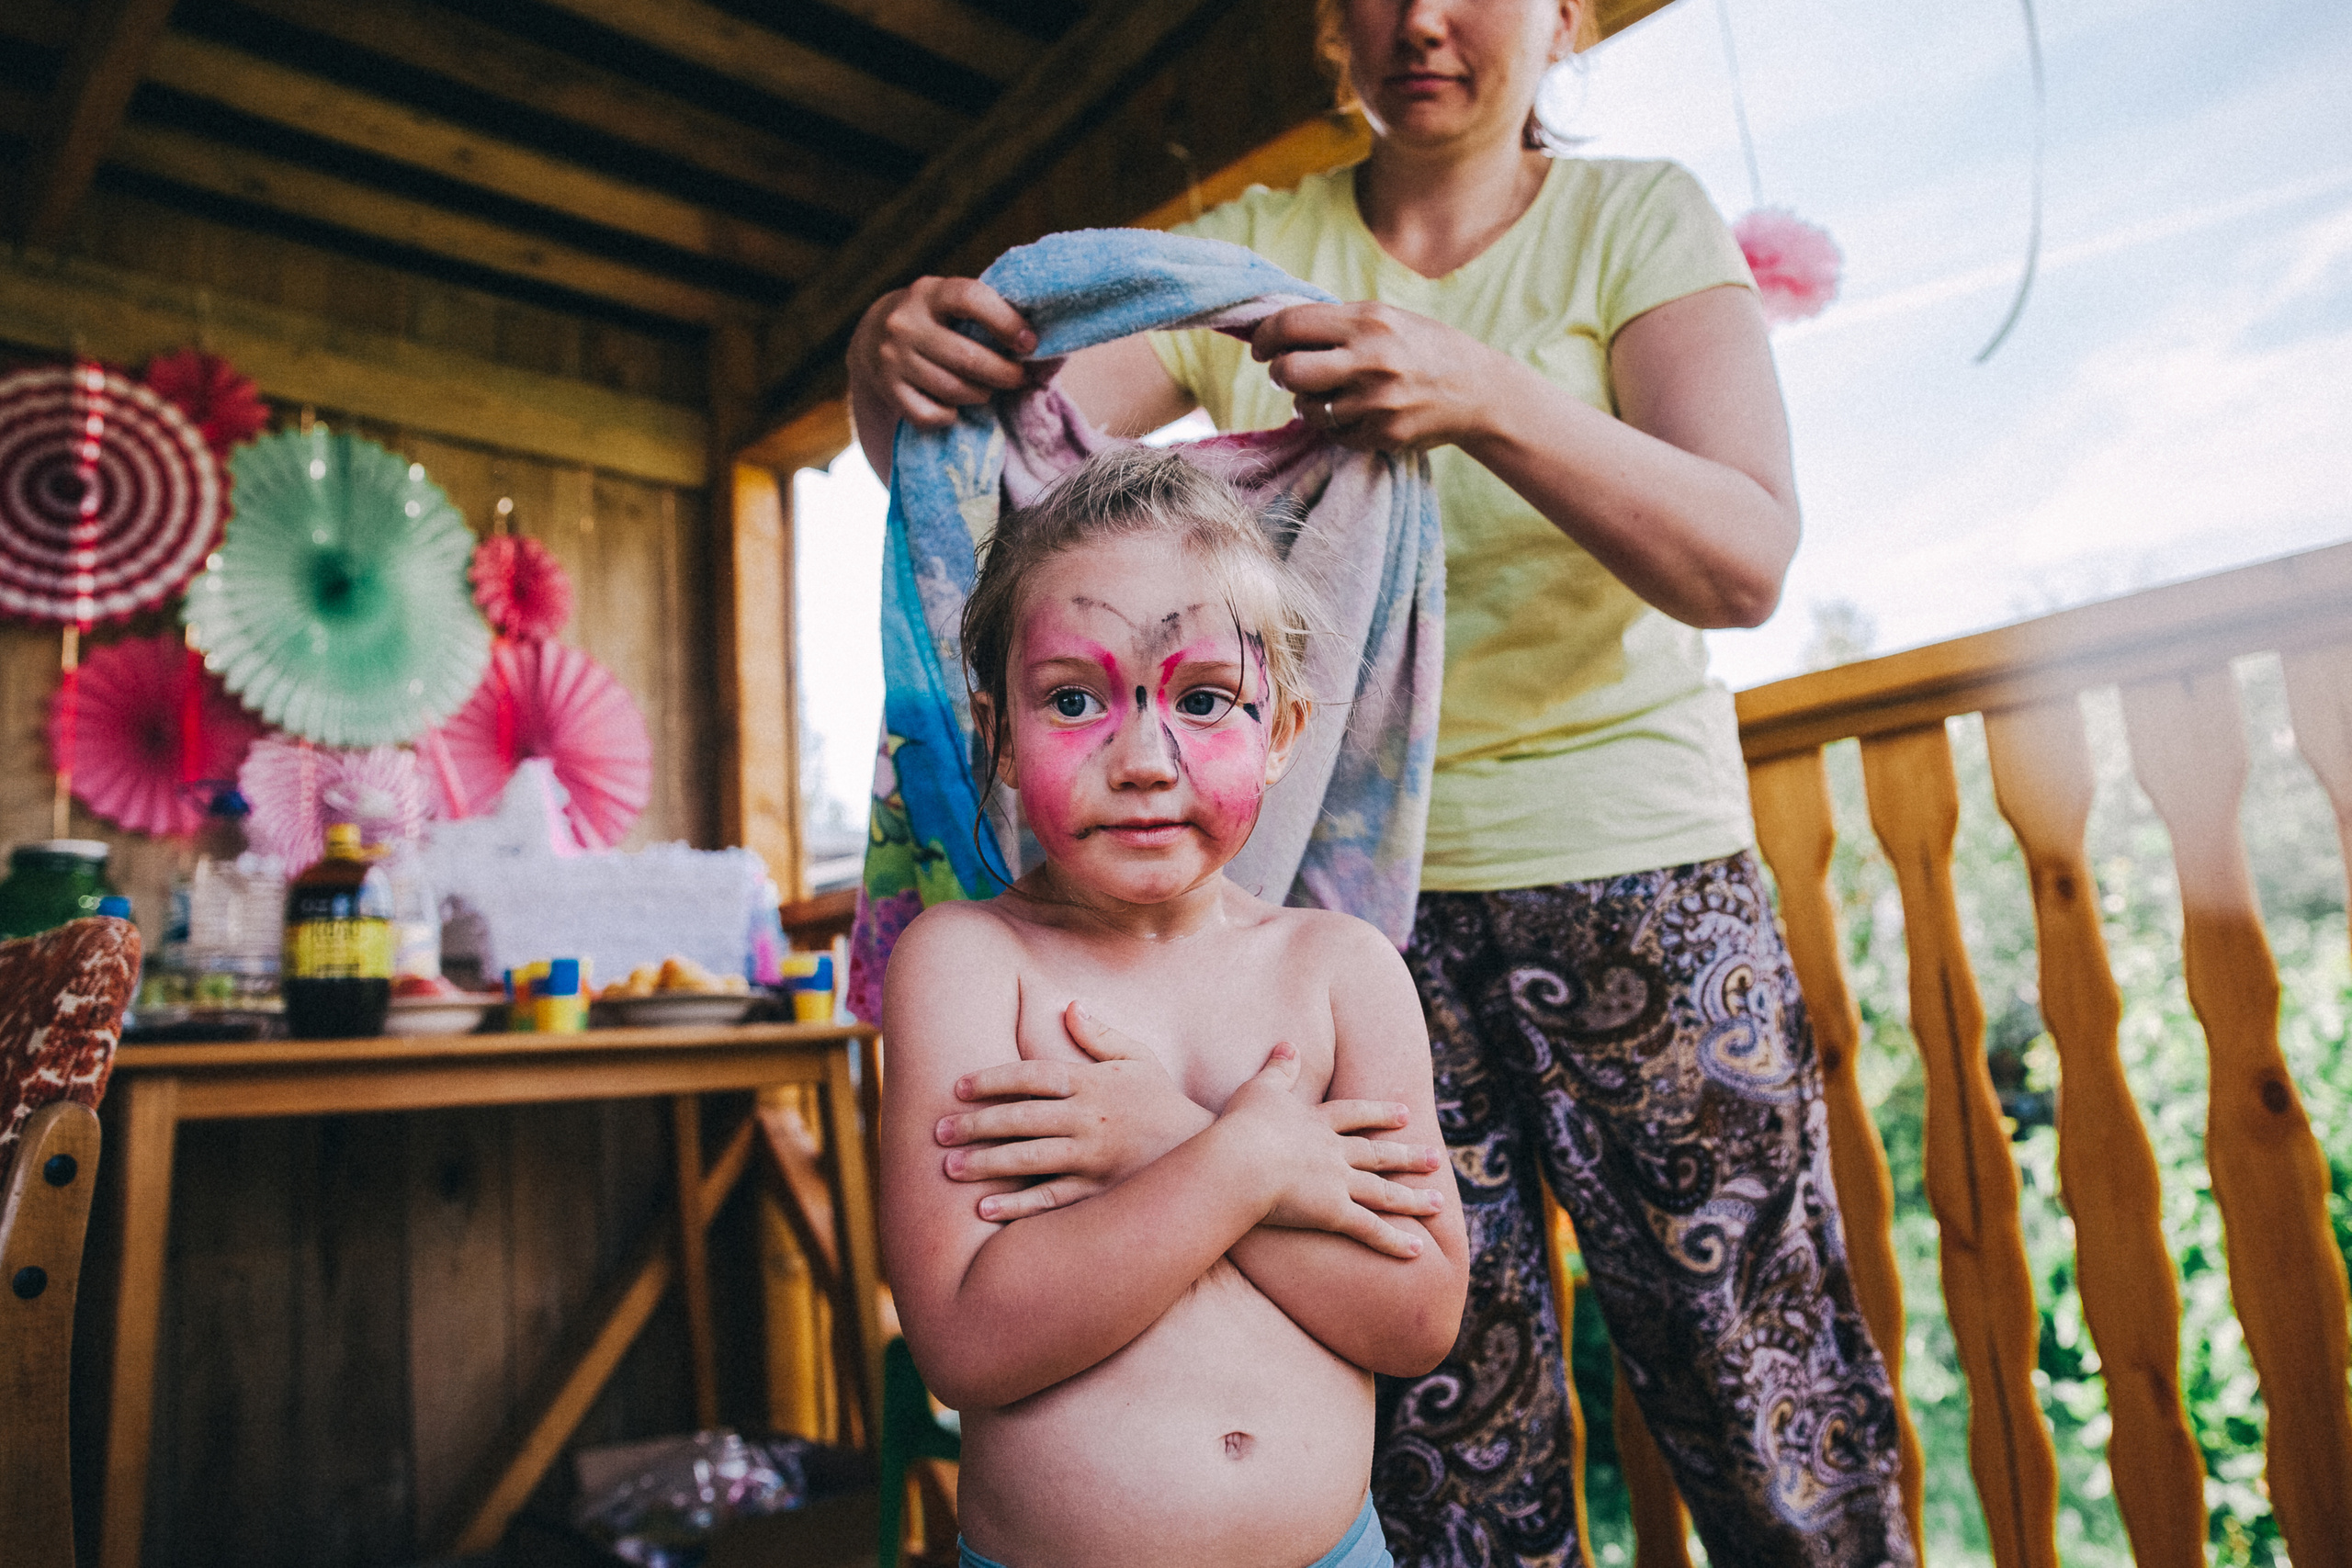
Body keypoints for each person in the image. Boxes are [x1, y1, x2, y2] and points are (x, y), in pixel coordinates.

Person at [848, 0, 1914, 1562]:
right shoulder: (1253, 249)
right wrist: (895, 373)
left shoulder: (1636, 219)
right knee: (1449, 1448)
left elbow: (1745, 557)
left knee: (1749, 1370)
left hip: (1631, 869)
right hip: (1341, 904)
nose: (1421, 14)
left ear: (1563, 15)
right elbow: (1019, 460)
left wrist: (1482, 393)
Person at [879, 447, 1472, 1568]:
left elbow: (1414, 1321)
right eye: (1071, 699)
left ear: (1283, 730)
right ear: (996, 733)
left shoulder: (1342, 972)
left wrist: (1168, 1140)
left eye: (1205, 700)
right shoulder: (968, 965)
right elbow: (962, 1344)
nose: (1145, 758)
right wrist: (1251, 1165)